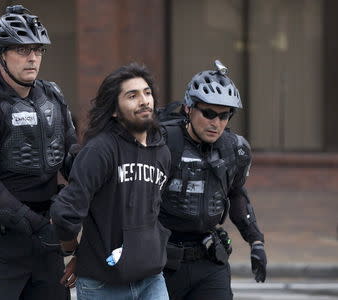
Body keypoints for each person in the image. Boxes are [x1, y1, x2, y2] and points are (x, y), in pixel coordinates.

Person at [0, 5, 77, 300]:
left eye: (37, 50)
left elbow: (73, 160)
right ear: (1, 55)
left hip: (45, 243)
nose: (32, 58)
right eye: (22, 50)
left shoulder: (53, 97)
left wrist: (77, 209)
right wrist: (39, 226)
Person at [50, 63, 172, 300]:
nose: (144, 100)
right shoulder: (100, 150)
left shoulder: (162, 152)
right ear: (114, 110)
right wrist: (74, 252)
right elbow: (64, 214)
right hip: (103, 284)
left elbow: (150, 214)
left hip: (152, 280)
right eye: (132, 96)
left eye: (147, 93)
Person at [159, 60, 267, 300]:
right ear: (188, 108)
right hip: (161, 262)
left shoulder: (235, 150)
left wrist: (256, 241)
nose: (215, 123)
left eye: (224, 116)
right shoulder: (163, 143)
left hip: (209, 260)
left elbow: (236, 193)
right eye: (208, 113)